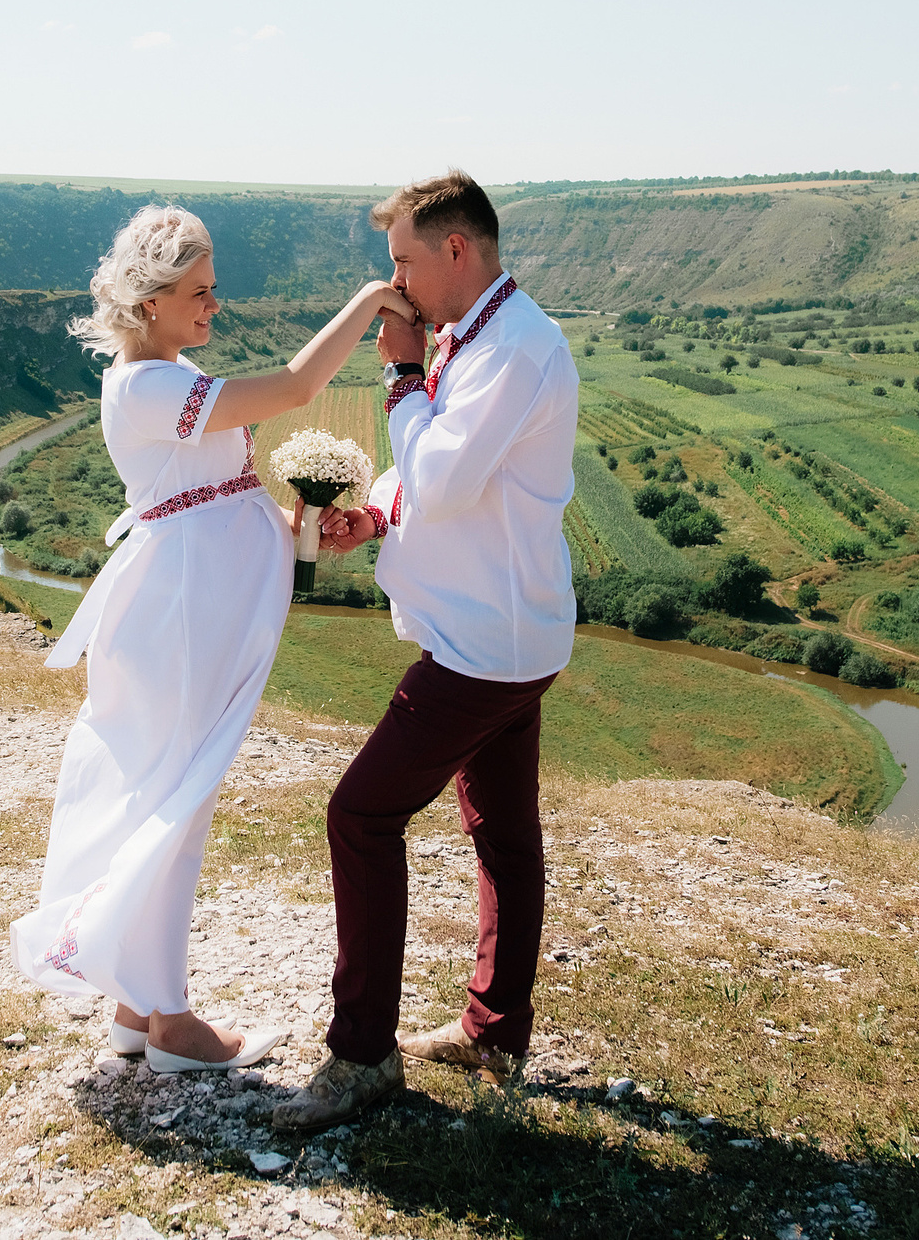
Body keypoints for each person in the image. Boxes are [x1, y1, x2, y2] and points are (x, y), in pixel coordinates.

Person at [11, 205, 419, 1073]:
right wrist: (370, 302)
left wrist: (294, 525)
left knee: (170, 788)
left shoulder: (163, 375)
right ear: (151, 300)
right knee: (178, 796)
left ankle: (138, 1006)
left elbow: (207, 493)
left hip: (192, 600)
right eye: (199, 292)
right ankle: (173, 1026)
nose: (213, 307)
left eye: (215, 290)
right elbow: (299, 388)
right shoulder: (149, 384)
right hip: (184, 611)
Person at [272, 170, 579, 1132]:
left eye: (403, 260)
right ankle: (496, 1029)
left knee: (360, 816)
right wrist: (379, 515)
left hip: (484, 645)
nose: (395, 282)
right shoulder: (482, 335)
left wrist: (401, 371)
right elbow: (435, 474)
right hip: (505, 629)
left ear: (457, 250)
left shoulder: (516, 348)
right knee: (502, 833)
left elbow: (445, 475)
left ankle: (362, 1054)